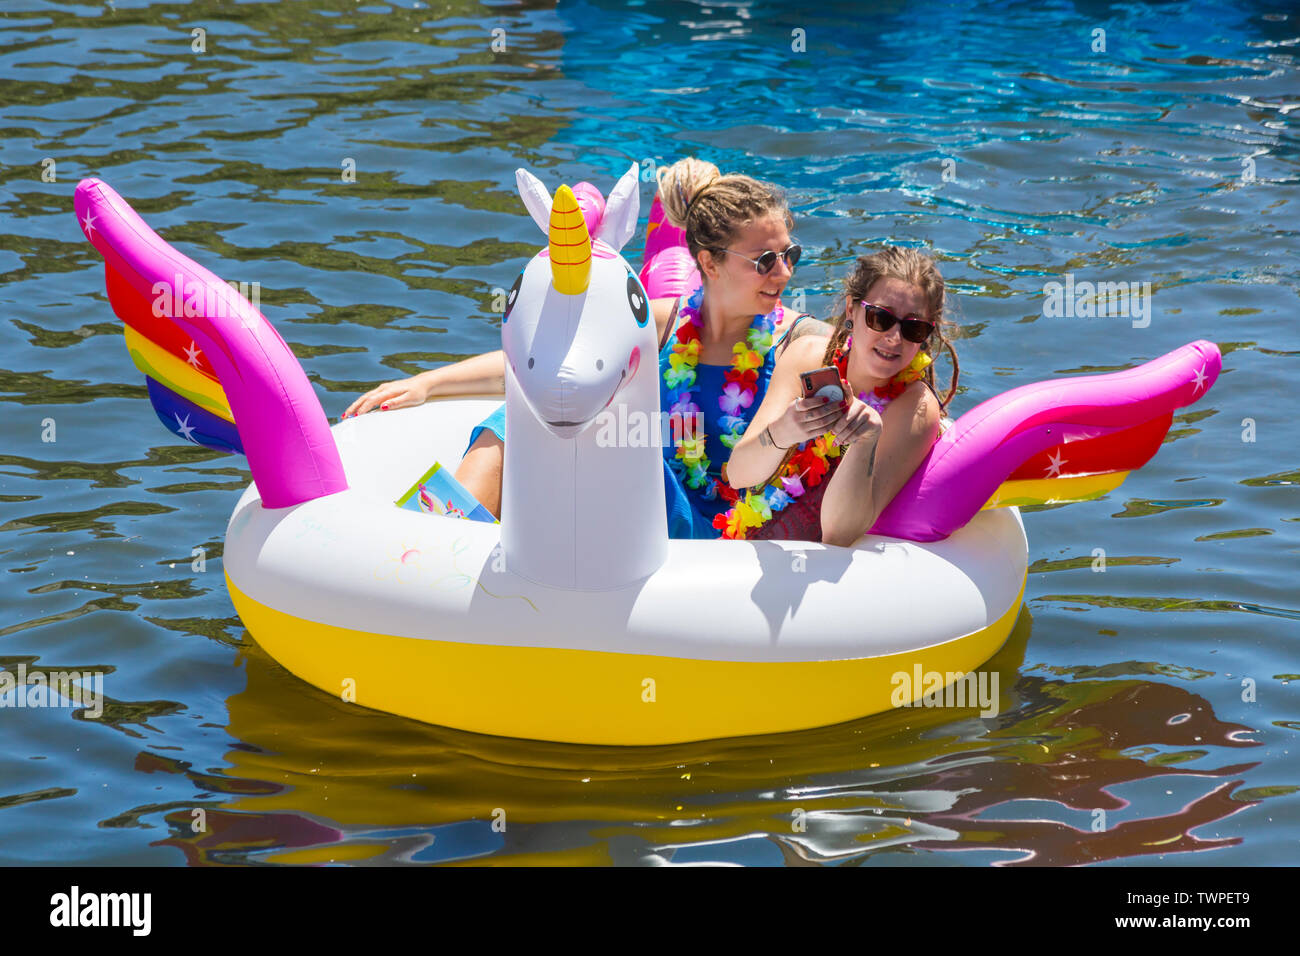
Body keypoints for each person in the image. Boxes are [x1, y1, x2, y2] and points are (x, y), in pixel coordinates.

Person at [343, 158, 831, 537]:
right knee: (528, 410)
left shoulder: (797, 343)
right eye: (766, 260)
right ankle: (435, 535)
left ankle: (441, 538)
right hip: (631, 505)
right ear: (709, 262)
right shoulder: (664, 324)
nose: (784, 273)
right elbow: (541, 366)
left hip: (712, 532)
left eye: (790, 255)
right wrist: (426, 383)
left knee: (607, 429)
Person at [722, 247, 960, 546]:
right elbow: (739, 475)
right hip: (743, 546)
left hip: (825, 573)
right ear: (852, 309)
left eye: (914, 328)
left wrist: (865, 443)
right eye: (880, 317)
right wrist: (784, 431)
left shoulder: (915, 407)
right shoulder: (808, 356)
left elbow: (838, 534)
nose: (894, 337)